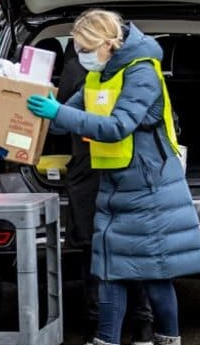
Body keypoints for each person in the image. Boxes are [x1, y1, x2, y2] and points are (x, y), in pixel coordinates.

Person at [27, 9, 200, 345]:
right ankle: (106, 340)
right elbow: (67, 115)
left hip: (149, 187)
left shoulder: (142, 73)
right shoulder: (100, 75)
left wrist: (59, 112)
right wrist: (28, 108)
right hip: (114, 185)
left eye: (84, 48)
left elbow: (117, 127)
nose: (80, 55)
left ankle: (167, 339)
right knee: (110, 271)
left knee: (154, 275)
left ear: (107, 44)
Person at [57, 41, 153, 345]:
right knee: (129, 250)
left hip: (90, 172)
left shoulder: (75, 69)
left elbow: (59, 122)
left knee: (94, 253)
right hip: (127, 170)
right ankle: (142, 327)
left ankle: (99, 328)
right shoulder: (141, 71)